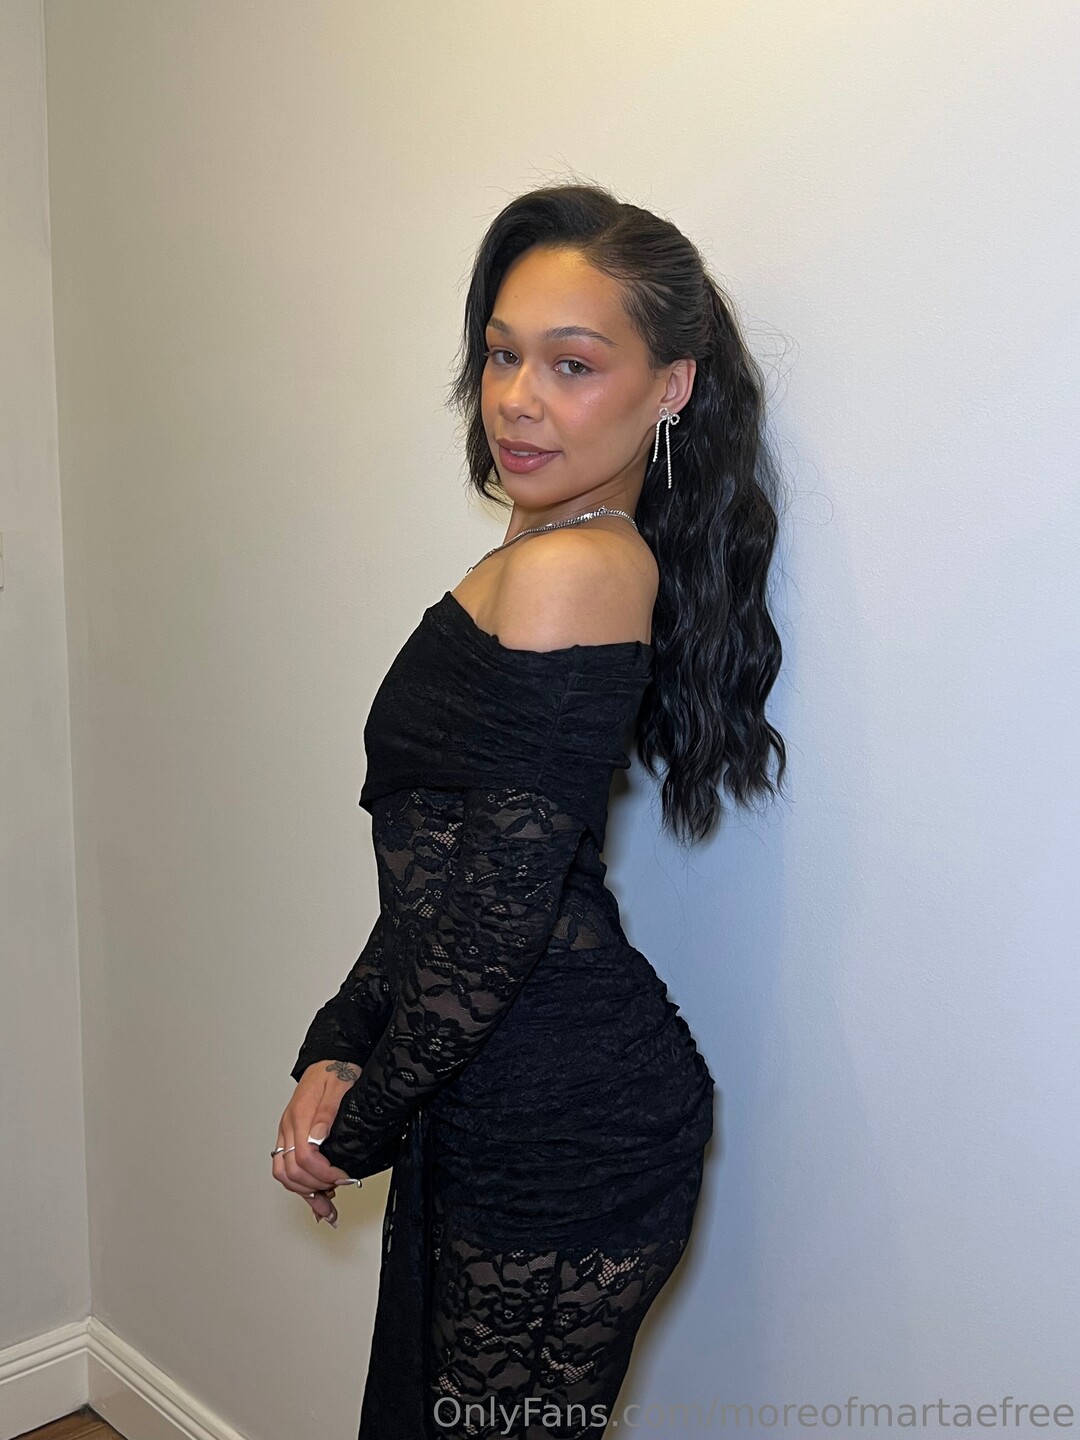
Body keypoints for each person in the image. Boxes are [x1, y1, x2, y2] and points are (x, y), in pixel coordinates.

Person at [271, 182, 787, 1440]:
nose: (515, 397)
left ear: (670, 386)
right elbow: (448, 879)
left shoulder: (575, 570)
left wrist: (356, 1121)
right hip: (491, 1088)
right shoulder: (543, 548)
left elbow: (497, 920)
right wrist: (338, 1044)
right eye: (503, 354)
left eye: (572, 364)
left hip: (563, 1124)